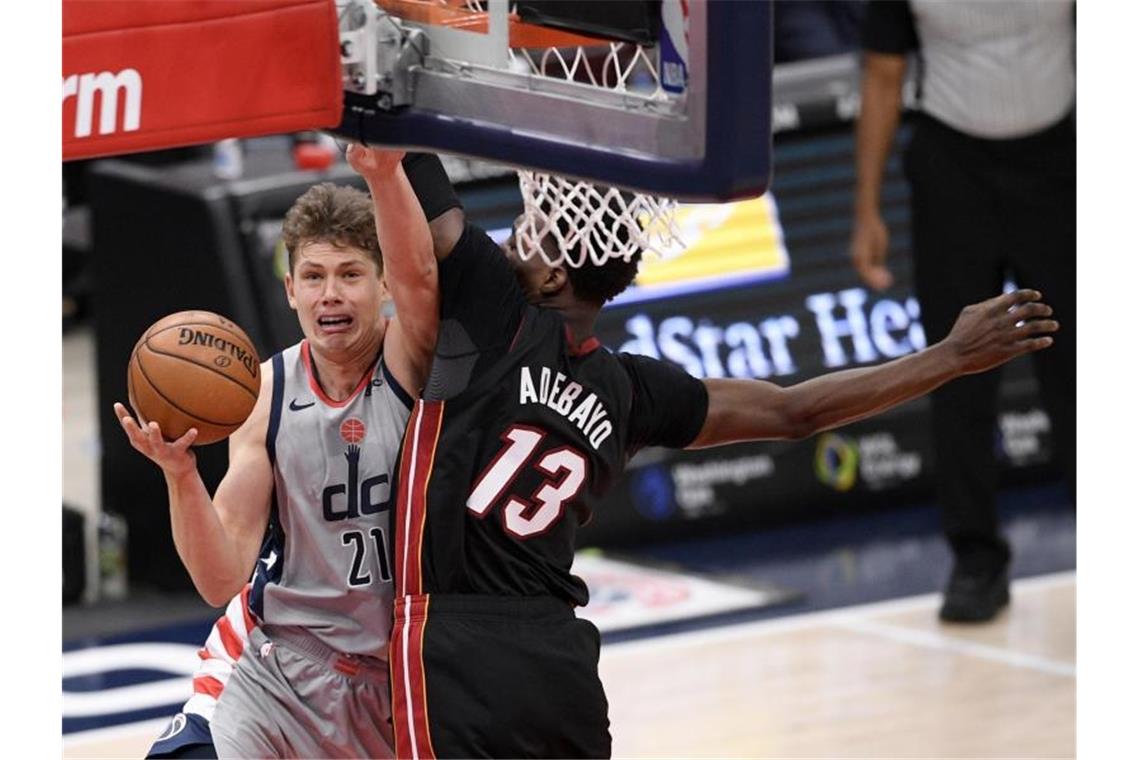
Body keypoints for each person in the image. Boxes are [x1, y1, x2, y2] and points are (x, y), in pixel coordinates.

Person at [383, 153, 1059, 757]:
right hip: (560, 659)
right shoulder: (631, 390)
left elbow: (415, 171)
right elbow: (796, 412)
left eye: (527, 230)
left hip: (455, 639)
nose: (508, 237)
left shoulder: (498, 311)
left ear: (554, 273)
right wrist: (950, 356)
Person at [118, 146, 438, 758]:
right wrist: (181, 475)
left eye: (350, 274)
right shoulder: (265, 394)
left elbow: (423, 273)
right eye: (314, 277)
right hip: (281, 665)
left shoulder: (411, 359)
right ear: (290, 290)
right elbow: (220, 579)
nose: (330, 295)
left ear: (385, 285)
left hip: (400, 677)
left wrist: (384, 172)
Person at [848, 0, 1076, 622]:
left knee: (1083, 375)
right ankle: (977, 560)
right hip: (955, 171)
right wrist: (867, 209)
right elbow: (883, 74)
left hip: (1064, 163)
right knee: (959, 374)